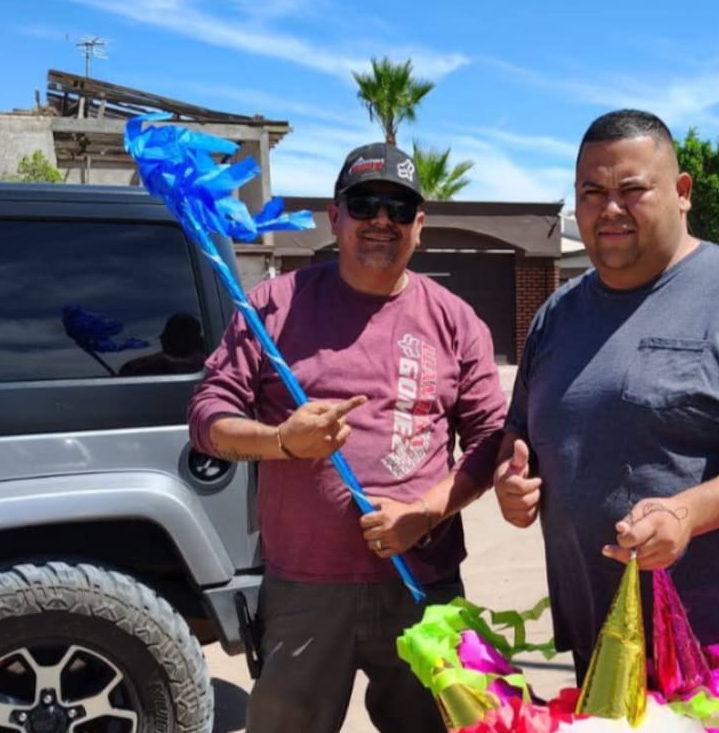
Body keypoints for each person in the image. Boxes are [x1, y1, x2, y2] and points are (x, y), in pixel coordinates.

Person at [494, 109, 719, 684]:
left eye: (631, 189)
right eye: (591, 192)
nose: (609, 208)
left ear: (681, 192)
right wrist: (512, 482)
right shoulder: (556, 316)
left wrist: (688, 513)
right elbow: (522, 434)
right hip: (602, 648)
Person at [189, 142, 507, 733]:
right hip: (305, 589)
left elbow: (490, 439)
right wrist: (282, 441)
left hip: (423, 587)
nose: (380, 220)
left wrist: (425, 512)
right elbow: (207, 419)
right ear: (335, 217)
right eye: (364, 204)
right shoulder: (273, 306)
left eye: (398, 207)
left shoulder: (456, 319)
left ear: (420, 225)